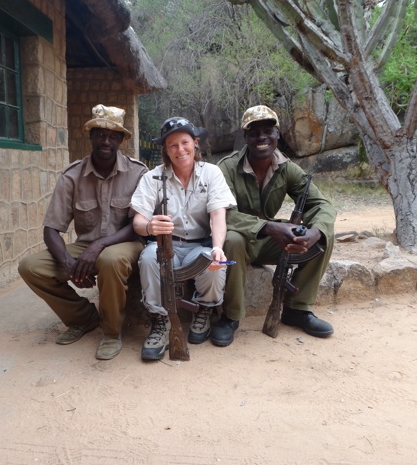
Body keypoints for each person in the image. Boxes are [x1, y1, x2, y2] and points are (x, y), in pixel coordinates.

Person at [18, 104, 147, 360]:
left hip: (126, 243)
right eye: (100, 134)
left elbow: (136, 227)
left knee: (110, 259)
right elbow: (51, 229)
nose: (106, 141)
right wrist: (68, 264)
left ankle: (111, 332)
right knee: (31, 267)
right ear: (91, 136)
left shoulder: (137, 173)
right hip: (85, 245)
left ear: (121, 139)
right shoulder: (72, 175)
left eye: (112, 135)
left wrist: (98, 247)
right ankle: (83, 317)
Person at [215, 105, 336, 346]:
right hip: (240, 240)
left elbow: (322, 205)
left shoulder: (288, 168)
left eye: (268, 130)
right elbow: (223, 214)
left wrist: (313, 232)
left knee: (324, 236)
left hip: (272, 241)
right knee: (232, 239)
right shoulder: (226, 168)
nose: (261, 137)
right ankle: (230, 316)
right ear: (245, 137)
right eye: (254, 131)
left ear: (278, 134)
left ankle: (297, 309)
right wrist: (269, 227)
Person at [131, 117, 236, 360]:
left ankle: (206, 310)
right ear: (166, 150)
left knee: (213, 262)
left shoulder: (212, 173)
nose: (180, 150)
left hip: (199, 244)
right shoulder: (153, 178)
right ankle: (160, 320)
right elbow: (138, 222)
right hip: (163, 244)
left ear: (195, 143)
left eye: (185, 143)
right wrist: (149, 226)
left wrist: (218, 248)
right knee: (148, 260)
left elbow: (218, 215)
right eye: (172, 146)